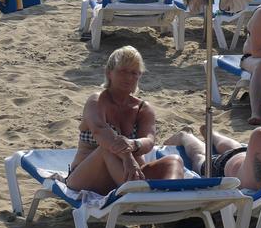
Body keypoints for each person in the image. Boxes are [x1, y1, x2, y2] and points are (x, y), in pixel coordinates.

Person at [59, 47, 184, 195]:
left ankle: (171, 200)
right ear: (109, 73)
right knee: (107, 148)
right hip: (88, 178)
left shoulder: (142, 108)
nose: (129, 77)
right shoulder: (97, 101)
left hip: (130, 175)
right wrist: (127, 156)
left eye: (134, 73)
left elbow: (149, 141)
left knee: (174, 161)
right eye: (123, 71)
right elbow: (100, 131)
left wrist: (133, 144)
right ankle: (141, 198)